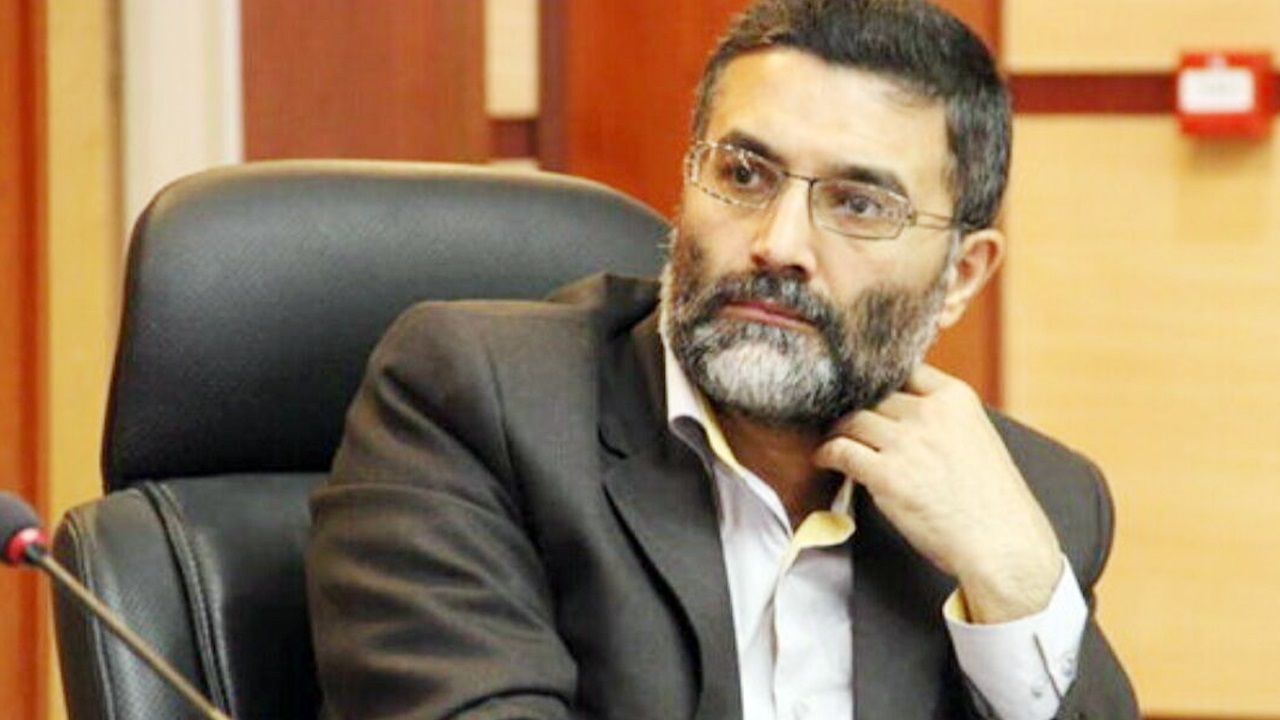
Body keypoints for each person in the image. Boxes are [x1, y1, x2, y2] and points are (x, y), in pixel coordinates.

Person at [306, 0, 1139, 718]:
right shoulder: (478, 400)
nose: (778, 244)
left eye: (858, 204)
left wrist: (1022, 590)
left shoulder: (1032, 501)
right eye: (744, 174)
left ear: (960, 277)